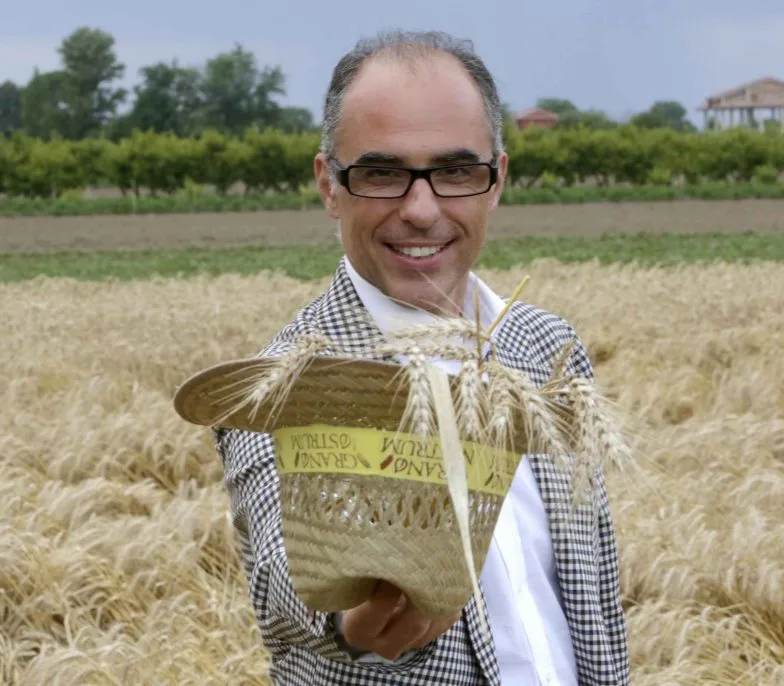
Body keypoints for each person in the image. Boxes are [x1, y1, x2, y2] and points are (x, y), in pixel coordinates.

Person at [213, 29, 631, 686]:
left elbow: (589, 593)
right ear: (329, 184)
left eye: (456, 171)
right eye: (381, 173)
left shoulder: (549, 349)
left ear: (497, 180)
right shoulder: (284, 384)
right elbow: (284, 574)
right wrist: (346, 624)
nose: (421, 209)